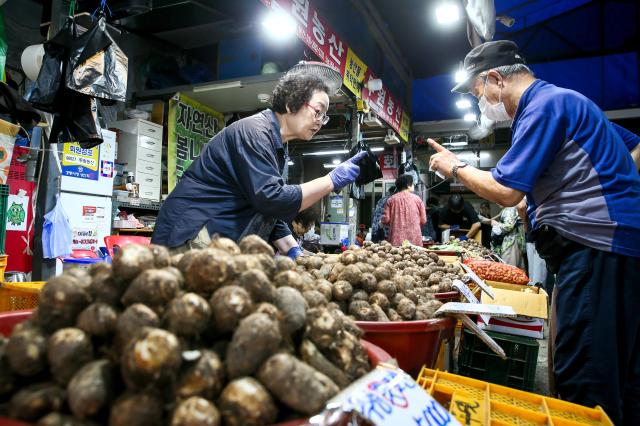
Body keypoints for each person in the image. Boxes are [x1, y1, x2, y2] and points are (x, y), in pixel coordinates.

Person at [428, 40, 640, 423]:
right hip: (617, 247)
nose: (482, 104)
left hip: (595, 247)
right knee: (622, 373)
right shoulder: (569, 102)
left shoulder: (541, 107)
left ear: (496, 79)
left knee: (586, 376)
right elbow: (634, 146)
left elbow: (505, 192)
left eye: (479, 94)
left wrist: (454, 167)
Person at [152, 66, 367, 259]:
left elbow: (267, 210)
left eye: (324, 116)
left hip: (213, 239)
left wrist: (293, 249)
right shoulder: (254, 132)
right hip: (190, 235)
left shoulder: (277, 146)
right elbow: (272, 199)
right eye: (318, 112)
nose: (320, 122)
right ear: (292, 102)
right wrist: (331, 180)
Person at [381, 175, 426, 246]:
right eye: (413, 184)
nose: (414, 185)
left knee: (397, 256)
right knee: (416, 257)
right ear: (408, 185)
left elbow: (386, 220)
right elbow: (423, 220)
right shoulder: (418, 199)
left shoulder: (391, 200)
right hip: (415, 240)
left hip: (396, 240)